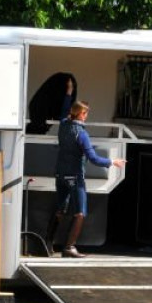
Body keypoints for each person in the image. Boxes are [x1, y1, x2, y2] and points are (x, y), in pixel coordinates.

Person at [45, 100, 126, 258]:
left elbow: (63, 112)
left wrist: (68, 94)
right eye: (86, 113)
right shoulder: (81, 134)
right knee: (80, 212)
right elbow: (93, 158)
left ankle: (47, 243)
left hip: (60, 174)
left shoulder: (63, 125)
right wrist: (112, 162)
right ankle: (69, 247)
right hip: (75, 175)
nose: (86, 116)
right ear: (81, 114)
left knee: (61, 208)